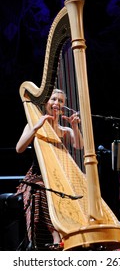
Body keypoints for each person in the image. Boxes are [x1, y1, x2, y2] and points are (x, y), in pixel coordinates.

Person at [15, 88, 84, 250]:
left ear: (64, 107)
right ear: (46, 103)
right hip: (37, 177)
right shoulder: (34, 124)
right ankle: (54, 236)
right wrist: (36, 127)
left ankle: (75, 236)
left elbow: (79, 146)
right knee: (42, 189)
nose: (56, 103)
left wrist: (74, 126)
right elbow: (19, 148)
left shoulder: (65, 131)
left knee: (77, 190)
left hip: (61, 179)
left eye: (60, 101)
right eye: (53, 99)